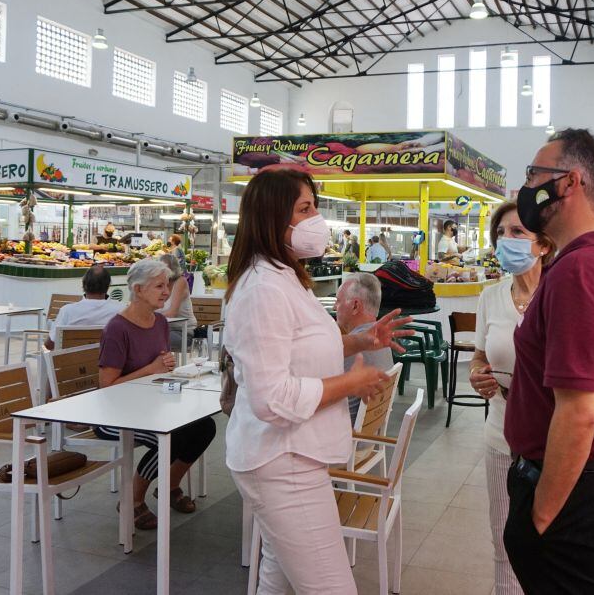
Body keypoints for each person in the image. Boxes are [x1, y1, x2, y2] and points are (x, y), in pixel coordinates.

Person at [222, 167, 411, 595]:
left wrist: (358, 341)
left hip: (294, 456)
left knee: (278, 574)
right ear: (273, 217)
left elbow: (298, 352)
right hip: (281, 461)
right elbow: (272, 397)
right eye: (304, 208)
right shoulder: (263, 289)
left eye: (315, 207)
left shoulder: (286, 277)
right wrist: (350, 383)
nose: (315, 219)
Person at [503, 128, 594, 594]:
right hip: (592, 478)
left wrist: (541, 515)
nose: (526, 188)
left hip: (569, 484)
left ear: (569, 183)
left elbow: (580, 411)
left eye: (534, 175)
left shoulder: (581, 271)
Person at [468, 201, 555, 595]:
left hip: (553, 444)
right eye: (501, 233)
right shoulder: (491, 297)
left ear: (543, 245)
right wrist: (477, 374)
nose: (507, 241)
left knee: (549, 547)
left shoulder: (561, 296)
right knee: (504, 542)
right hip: (499, 436)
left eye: (518, 232)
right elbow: (481, 356)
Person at [94, 257, 217, 530]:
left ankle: (169, 485)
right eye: (159, 286)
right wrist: (152, 368)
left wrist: (165, 366)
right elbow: (107, 387)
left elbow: (157, 366)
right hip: (116, 415)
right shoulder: (117, 329)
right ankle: (132, 501)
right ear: (138, 290)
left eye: (167, 285)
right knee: (169, 438)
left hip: (150, 406)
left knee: (204, 427)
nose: (166, 291)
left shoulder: (159, 322)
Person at [334, 273, 396, 421]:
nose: (334, 306)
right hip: (370, 435)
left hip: (348, 438)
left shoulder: (354, 351)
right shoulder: (381, 342)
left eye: (338, 301)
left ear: (355, 306)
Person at [44, 265, 123, 350]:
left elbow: (49, 345)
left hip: (73, 362)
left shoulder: (68, 311)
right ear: (108, 286)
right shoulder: (121, 311)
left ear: (84, 285)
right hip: (109, 361)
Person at [158, 253, 197, 352]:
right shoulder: (161, 284)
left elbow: (172, 313)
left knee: (149, 339)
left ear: (173, 269)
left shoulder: (180, 282)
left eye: (164, 268)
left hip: (183, 332)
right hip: (164, 330)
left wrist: (149, 316)